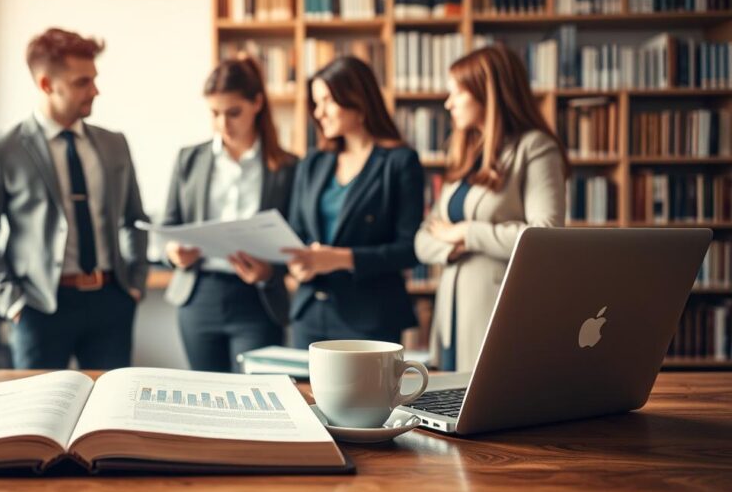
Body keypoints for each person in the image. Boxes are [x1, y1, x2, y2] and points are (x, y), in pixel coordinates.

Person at [0, 27, 149, 370]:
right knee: (38, 417)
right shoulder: (2, 148)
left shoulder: (114, 144)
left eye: (94, 79)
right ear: (47, 85)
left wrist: (135, 285)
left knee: (113, 413)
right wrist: (12, 303)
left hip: (111, 304)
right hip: (39, 308)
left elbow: (135, 220)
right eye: (82, 82)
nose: (95, 90)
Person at [415, 43, 569, 372]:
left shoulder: (535, 148)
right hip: (451, 316)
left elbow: (547, 236)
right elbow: (422, 239)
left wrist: (468, 233)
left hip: (499, 312)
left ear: (489, 92)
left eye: (457, 93)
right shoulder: (467, 157)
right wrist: (452, 248)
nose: (448, 103)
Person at [162, 56, 299, 372]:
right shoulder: (189, 159)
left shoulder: (289, 167)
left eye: (233, 113)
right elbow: (168, 224)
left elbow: (296, 237)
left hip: (259, 299)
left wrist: (268, 273)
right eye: (215, 114)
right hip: (198, 295)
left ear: (257, 103)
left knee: (257, 400)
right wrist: (173, 253)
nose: (223, 125)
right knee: (207, 398)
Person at [283, 56, 424, 349]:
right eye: (315, 103)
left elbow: (409, 250)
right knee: (302, 396)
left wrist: (339, 259)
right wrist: (297, 265)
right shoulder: (312, 163)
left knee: (368, 397)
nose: (319, 113)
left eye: (327, 101)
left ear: (357, 100)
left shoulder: (400, 163)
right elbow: (296, 233)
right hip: (309, 313)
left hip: (370, 317)